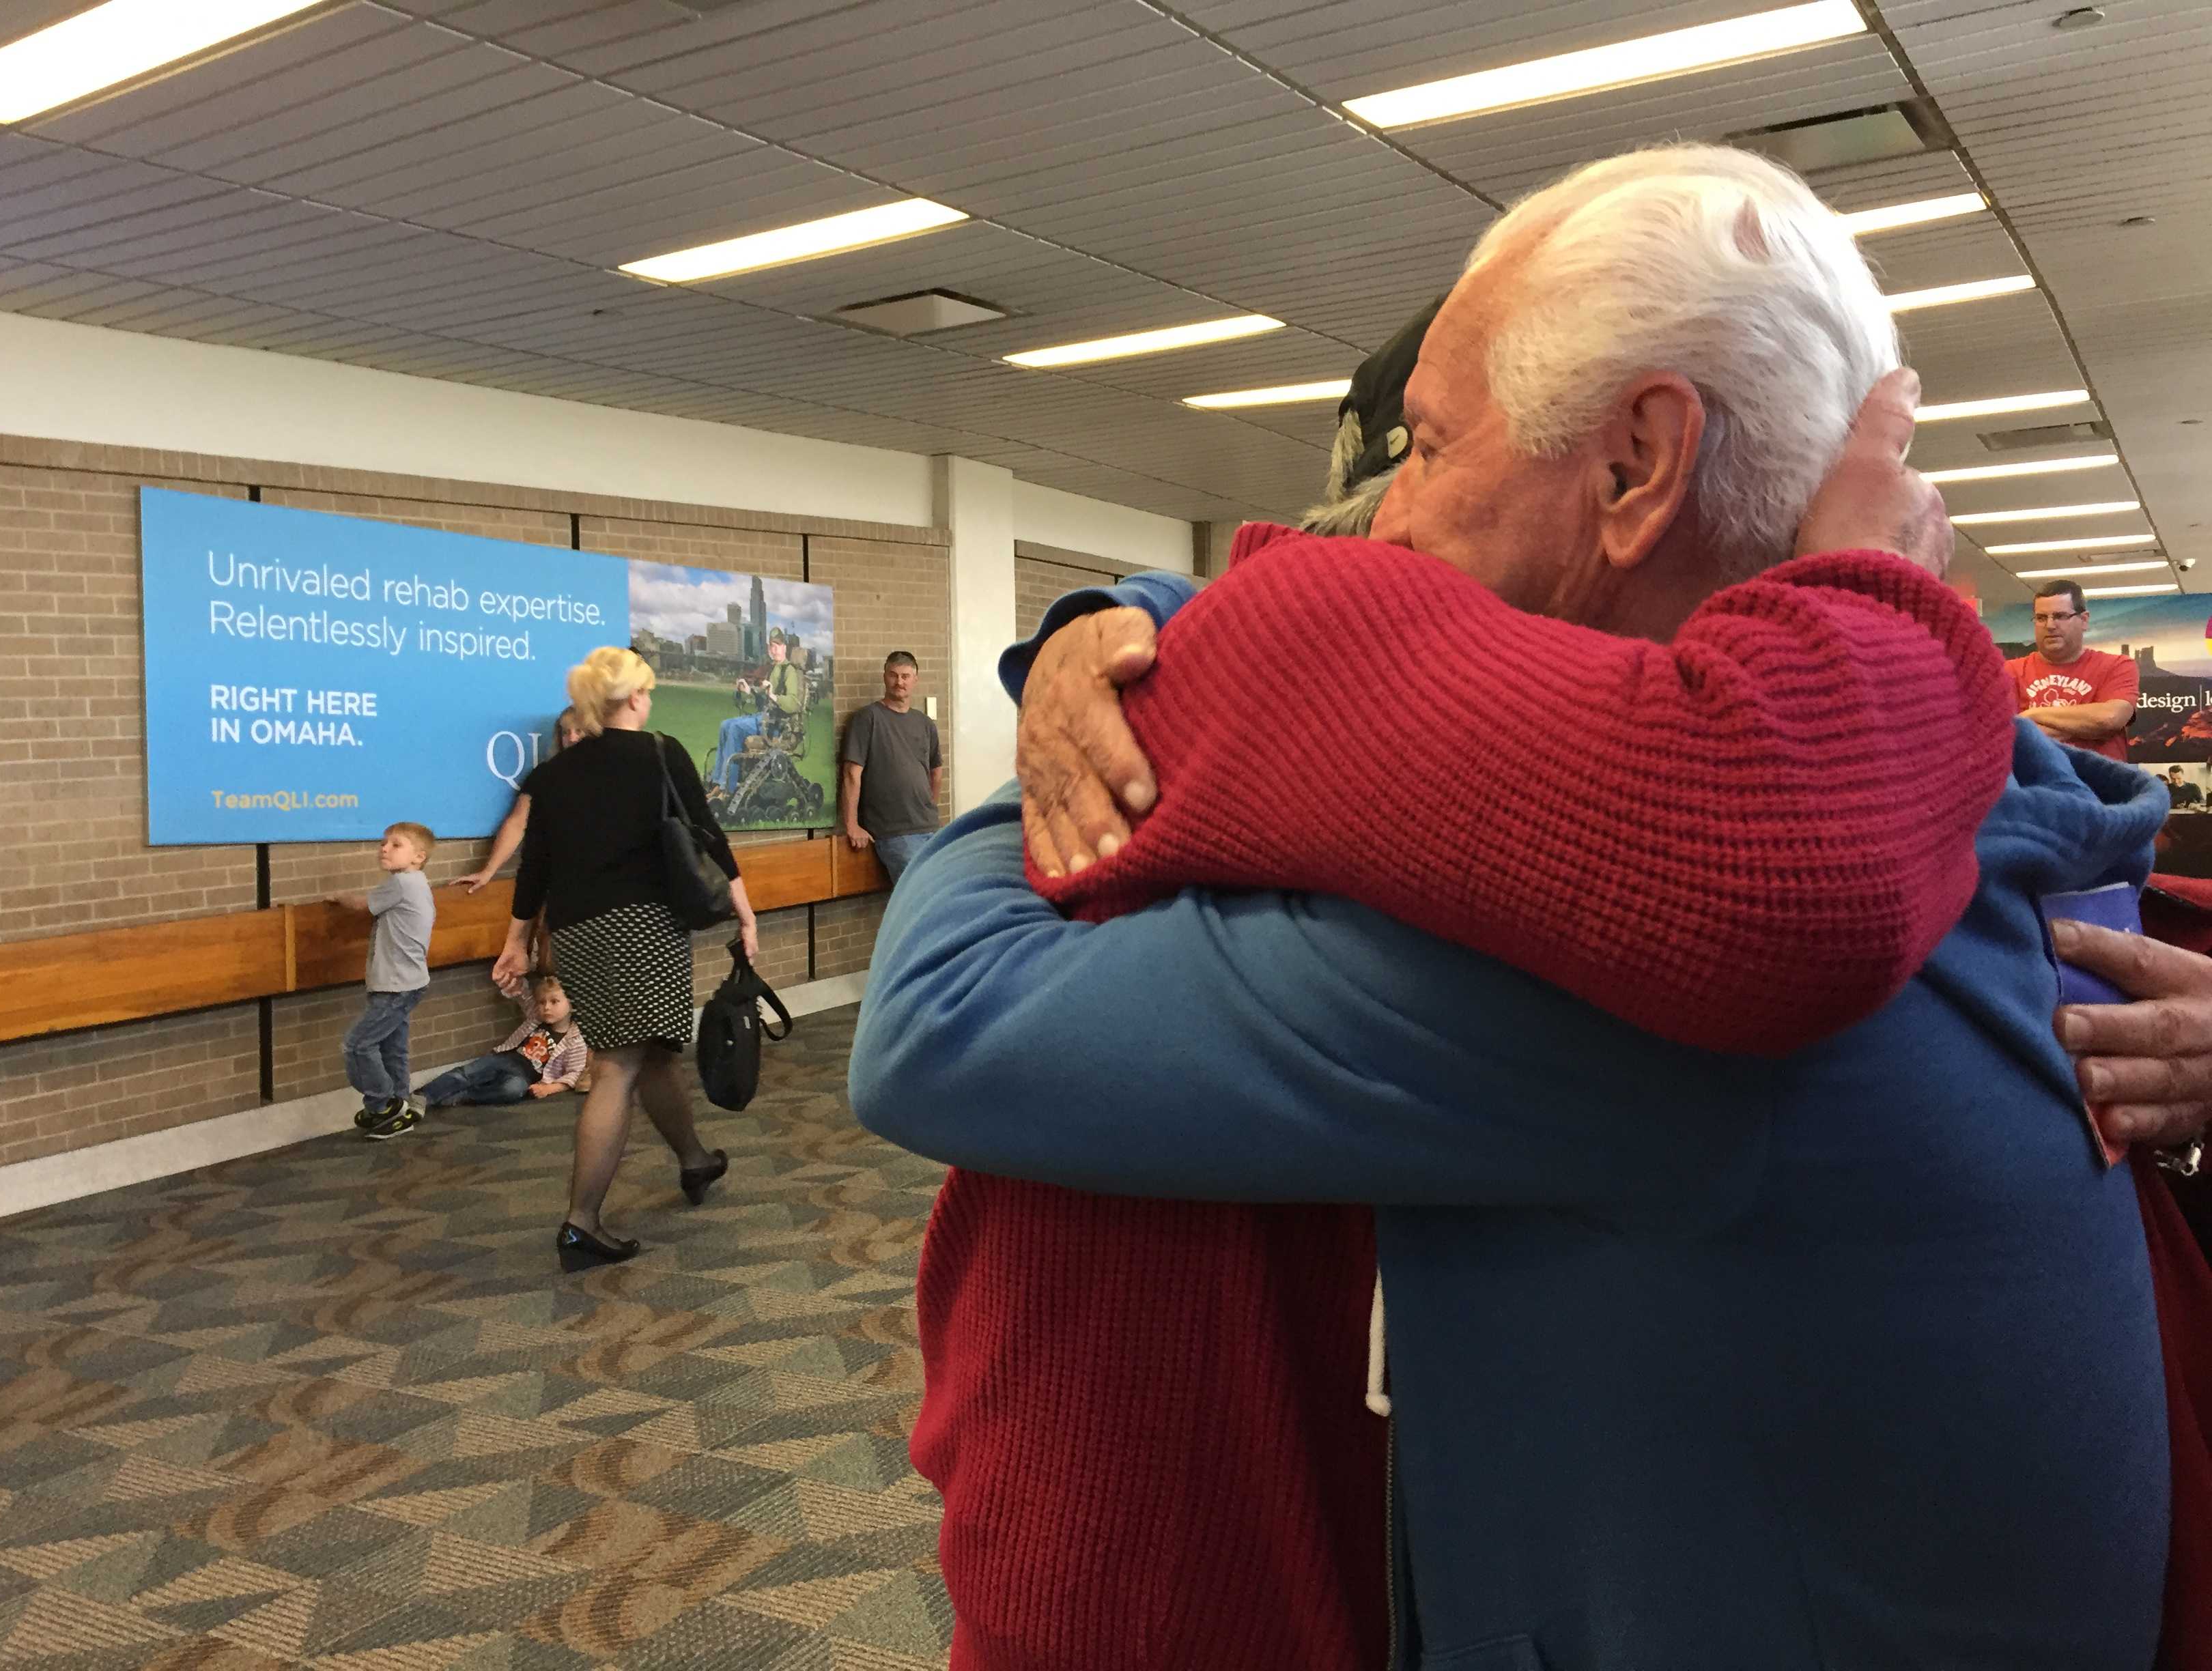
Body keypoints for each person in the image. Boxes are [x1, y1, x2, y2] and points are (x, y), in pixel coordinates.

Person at [853, 146, 2169, 1669]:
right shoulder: (1982, 799)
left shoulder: (1640, 949)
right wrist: (1125, 628)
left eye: (1421, 448)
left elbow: (942, 1021)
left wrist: (1048, 782)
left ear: (1635, 470)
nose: (1389, 529)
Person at [494, 647, 758, 1270]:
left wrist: (514, 939)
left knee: (654, 1048)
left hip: (577, 931)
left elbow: (537, 866)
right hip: (644, 924)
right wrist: (744, 912)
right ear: (636, 697)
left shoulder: (555, 775)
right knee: (618, 1065)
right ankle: (581, 1223)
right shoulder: (662, 754)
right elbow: (708, 837)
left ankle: (694, 1160)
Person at [337, 822, 437, 1139]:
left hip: (396, 986)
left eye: (396, 845)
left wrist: (337, 897)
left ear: (419, 857)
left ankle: (383, 1103)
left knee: (357, 1044)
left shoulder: (403, 884)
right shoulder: (417, 883)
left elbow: (360, 905)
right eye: (383, 843)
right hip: (406, 983)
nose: (384, 848)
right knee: (394, 1048)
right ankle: (403, 1103)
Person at [453, 706, 586, 894]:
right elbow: (517, 823)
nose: (572, 738)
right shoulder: (545, 775)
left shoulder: (614, 774)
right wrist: (488, 871)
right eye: (566, 732)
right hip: (560, 881)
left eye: (580, 731)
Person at [2009, 578, 2140, 761]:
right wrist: (2087, 727)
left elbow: (2109, 719)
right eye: (2041, 618)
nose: (2050, 625)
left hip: (2099, 787)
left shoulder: (2117, 665)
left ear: (2084, 620)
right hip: (2033, 787)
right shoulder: (2009, 671)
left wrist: (2032, 715)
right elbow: (2008, 735)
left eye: (2060, 616)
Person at [841, 650, 944, 881]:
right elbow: (851, 774)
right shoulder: (867, 719)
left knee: (940, 894)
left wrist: (928, 808)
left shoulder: (926, 724)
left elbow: (936, 773)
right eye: (894, 675)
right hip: (894, 833)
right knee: (918, 896)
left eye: (906, 676)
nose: (900, 682)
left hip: (929, 827)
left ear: (915, 680)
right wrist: (852, 824)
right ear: (884, 677)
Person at [417, 972, 588, 1109]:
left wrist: (549, 1088)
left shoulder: (574, 1039)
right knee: (466, 1073)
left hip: (525, 1076)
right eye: (542, 1003)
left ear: (571, 1004)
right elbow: (523, 994)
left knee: (512, 1091)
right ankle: (422, 1098)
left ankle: (464, 1096)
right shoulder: (536, 1017)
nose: (547, 1007)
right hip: (505, 1057)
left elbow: (574, 1073)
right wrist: (513, 977)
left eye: (554, 1002)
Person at [715, 628, 806, 795]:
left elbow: (794, 704)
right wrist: (749, 691)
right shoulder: (772, 669)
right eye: (772, 646)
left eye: (778, 645)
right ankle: (718, 782)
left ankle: (728, 789)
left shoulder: (790, 671)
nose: (774, 649)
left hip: (777, 725)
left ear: (785, 647)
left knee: (735, 729)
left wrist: (773, 694)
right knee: (725, 725)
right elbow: (765, 702)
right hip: (764, 718)